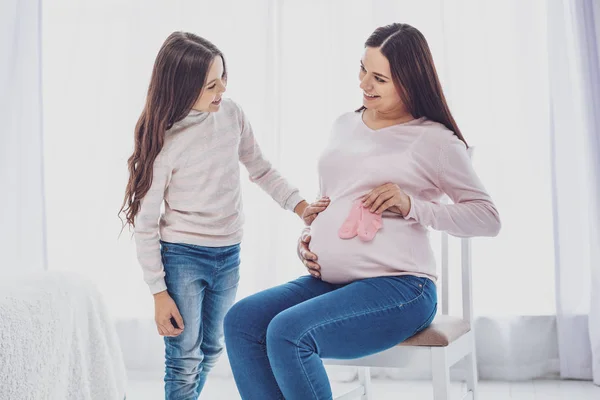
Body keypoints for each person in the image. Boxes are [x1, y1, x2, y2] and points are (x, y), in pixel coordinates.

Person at [224, 23, 501, 400]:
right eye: (362, 70)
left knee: (289, 332)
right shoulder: (344, 124)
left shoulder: (435, 140)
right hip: (333, 283)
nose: (364, 84)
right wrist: (308, 240)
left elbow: (487, 218)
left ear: (410, 81)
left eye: (379, 78)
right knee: (242, 321)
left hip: (402, 287)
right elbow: (333, 199)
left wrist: (412, 206)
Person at [118, 32, 323, 400]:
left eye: (223, 77)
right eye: (211, 84)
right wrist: (158, 293)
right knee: (183, 355)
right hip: (182, 256)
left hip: (228, 254)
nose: (222, 89)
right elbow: (146, 224)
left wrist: (300, 206)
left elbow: (260, 169)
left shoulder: (231, 115)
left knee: (211, 348)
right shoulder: (165, 140)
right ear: (182, 89)